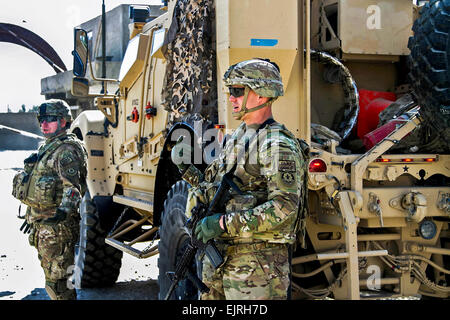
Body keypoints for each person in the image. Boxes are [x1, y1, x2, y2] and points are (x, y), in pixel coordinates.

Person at [172, 59, 308, 299]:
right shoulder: (237, 138)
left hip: (257, 265)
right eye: (230, 91)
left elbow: (284, 208)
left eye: (237, 91)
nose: (231, 98)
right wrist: (188, 171)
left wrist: (222, 224)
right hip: (222, 260)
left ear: (262, 95)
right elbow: (214, 191)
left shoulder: (277, 145)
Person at [12, 99, 87, 300]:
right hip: (45, 228)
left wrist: (58, 216)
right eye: (41, 119)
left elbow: (73, 190)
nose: (44, 124)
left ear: (63, 121)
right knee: (53, 282)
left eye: (50, 119)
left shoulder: (67, 150)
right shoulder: (50, 146)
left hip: (57, 230)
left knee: (59, 286)